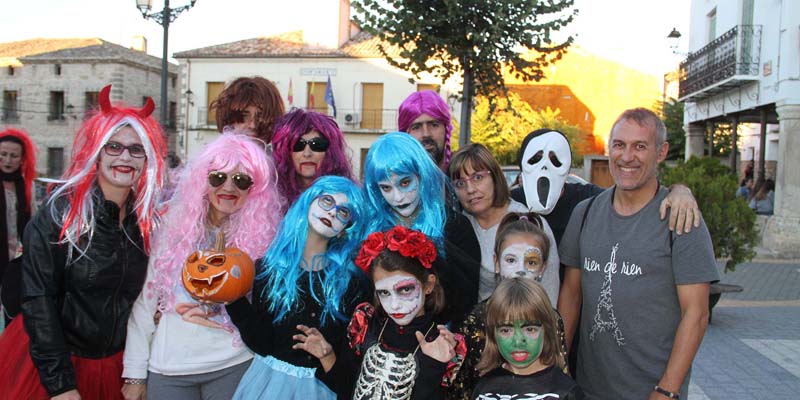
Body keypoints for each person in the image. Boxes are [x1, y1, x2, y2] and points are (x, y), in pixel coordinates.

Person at [0, 84, 166, 400]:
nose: (125, 158)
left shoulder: (145, 222)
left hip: (116, 365)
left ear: (147, 158)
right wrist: (61, 385)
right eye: (113, 147)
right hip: (54, 363)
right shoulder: (58, 213)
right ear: (96, 151)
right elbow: (38, 299)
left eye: (136, 149)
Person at [558, 108, 719, 400]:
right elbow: (571, 295)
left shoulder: (680, 219)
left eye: (640, 146)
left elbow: (696, 314)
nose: (627, 156)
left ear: (661, 152)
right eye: (619, 145)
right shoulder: (585, 213)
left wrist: (667, 389)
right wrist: (557, 368)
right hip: (587, 389)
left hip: (652, 392)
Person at [121, 133, 284, 400]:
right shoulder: (172, 225)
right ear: (203, 180)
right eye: (218, 177)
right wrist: (135, 373)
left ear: (254, 189)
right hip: (170, 367)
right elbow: (146, 302)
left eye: (241, 181)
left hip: (234, 365)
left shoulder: (265, 238)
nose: (228, 188)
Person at [225, 176, 371, 399]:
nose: (332, 212)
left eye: (343, 212)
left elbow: (351, 360)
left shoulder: (352, 283)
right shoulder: (268, 269)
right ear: (308, 203)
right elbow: (262, 343)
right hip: (269, 386)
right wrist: (232, 299)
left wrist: (327, 354)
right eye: (327, 201)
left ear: (344, 230)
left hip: (323, 388)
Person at [510, 128, 701, 247]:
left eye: (555, 160)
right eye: (535, 160)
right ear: (522, 165)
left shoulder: (587, 200)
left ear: (566, 167)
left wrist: (680, 191)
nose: (544, 167)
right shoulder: (510, 203)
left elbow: (630, 197)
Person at [363, 132, 481, 324]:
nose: (398, 197)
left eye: (405, 182)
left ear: (422, 175)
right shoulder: (369, 230)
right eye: (386, 188)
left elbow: (465, 300)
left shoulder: (455, 226)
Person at [338, 225, 464, 400]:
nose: (395, 305)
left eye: (405, 290)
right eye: (384, 293)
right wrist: (327, 357)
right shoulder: (368, 326)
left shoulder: (442, 343)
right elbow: (345, 386)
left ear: (428, 285)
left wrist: (433, 365)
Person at [449, 212, 563, 400]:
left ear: (543, 268)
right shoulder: (477, 318)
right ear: (496, 263)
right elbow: (463, 383)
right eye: (511, 260)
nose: (520, 270)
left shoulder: (550, 316)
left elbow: (559, 369)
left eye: (531, 262)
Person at [448, 144, 559, 303]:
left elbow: (549, 291)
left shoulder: (529, 223)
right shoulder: (459, 227)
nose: (470, 189)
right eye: (460, 183)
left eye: (478, 177)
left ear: (494, 176)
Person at [471, 278, 582, 400]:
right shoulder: (484, 389)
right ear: (493, 334)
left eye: (530, 329)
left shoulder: (565, 391)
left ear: (547, 331)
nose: (518, 341)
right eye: (506, 330)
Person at [271, 108, 354, 205]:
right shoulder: (272, 200)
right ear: (285, 151)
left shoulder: (348, 199)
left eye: (317, 145)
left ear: (331, 151)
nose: (307, 154)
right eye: (298, 145)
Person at [0, 128, 36, 324]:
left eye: (13, 156)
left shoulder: (25, 187)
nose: (7, 160)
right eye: (3, 154)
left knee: (12, 312)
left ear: (22, 159)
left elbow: (31, 224)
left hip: (14, 261)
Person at [210, 76, 285, 143]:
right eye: (243, 116)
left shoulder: (281, 157)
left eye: (262, 116)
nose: (253, 125)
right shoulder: (217, 158)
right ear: (228, 119)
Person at [398, 90, 453, 171]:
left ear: (446, 129)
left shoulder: (464, 175)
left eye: (434, 125)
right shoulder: (395, 177)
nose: (426, 134)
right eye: (416, 127)